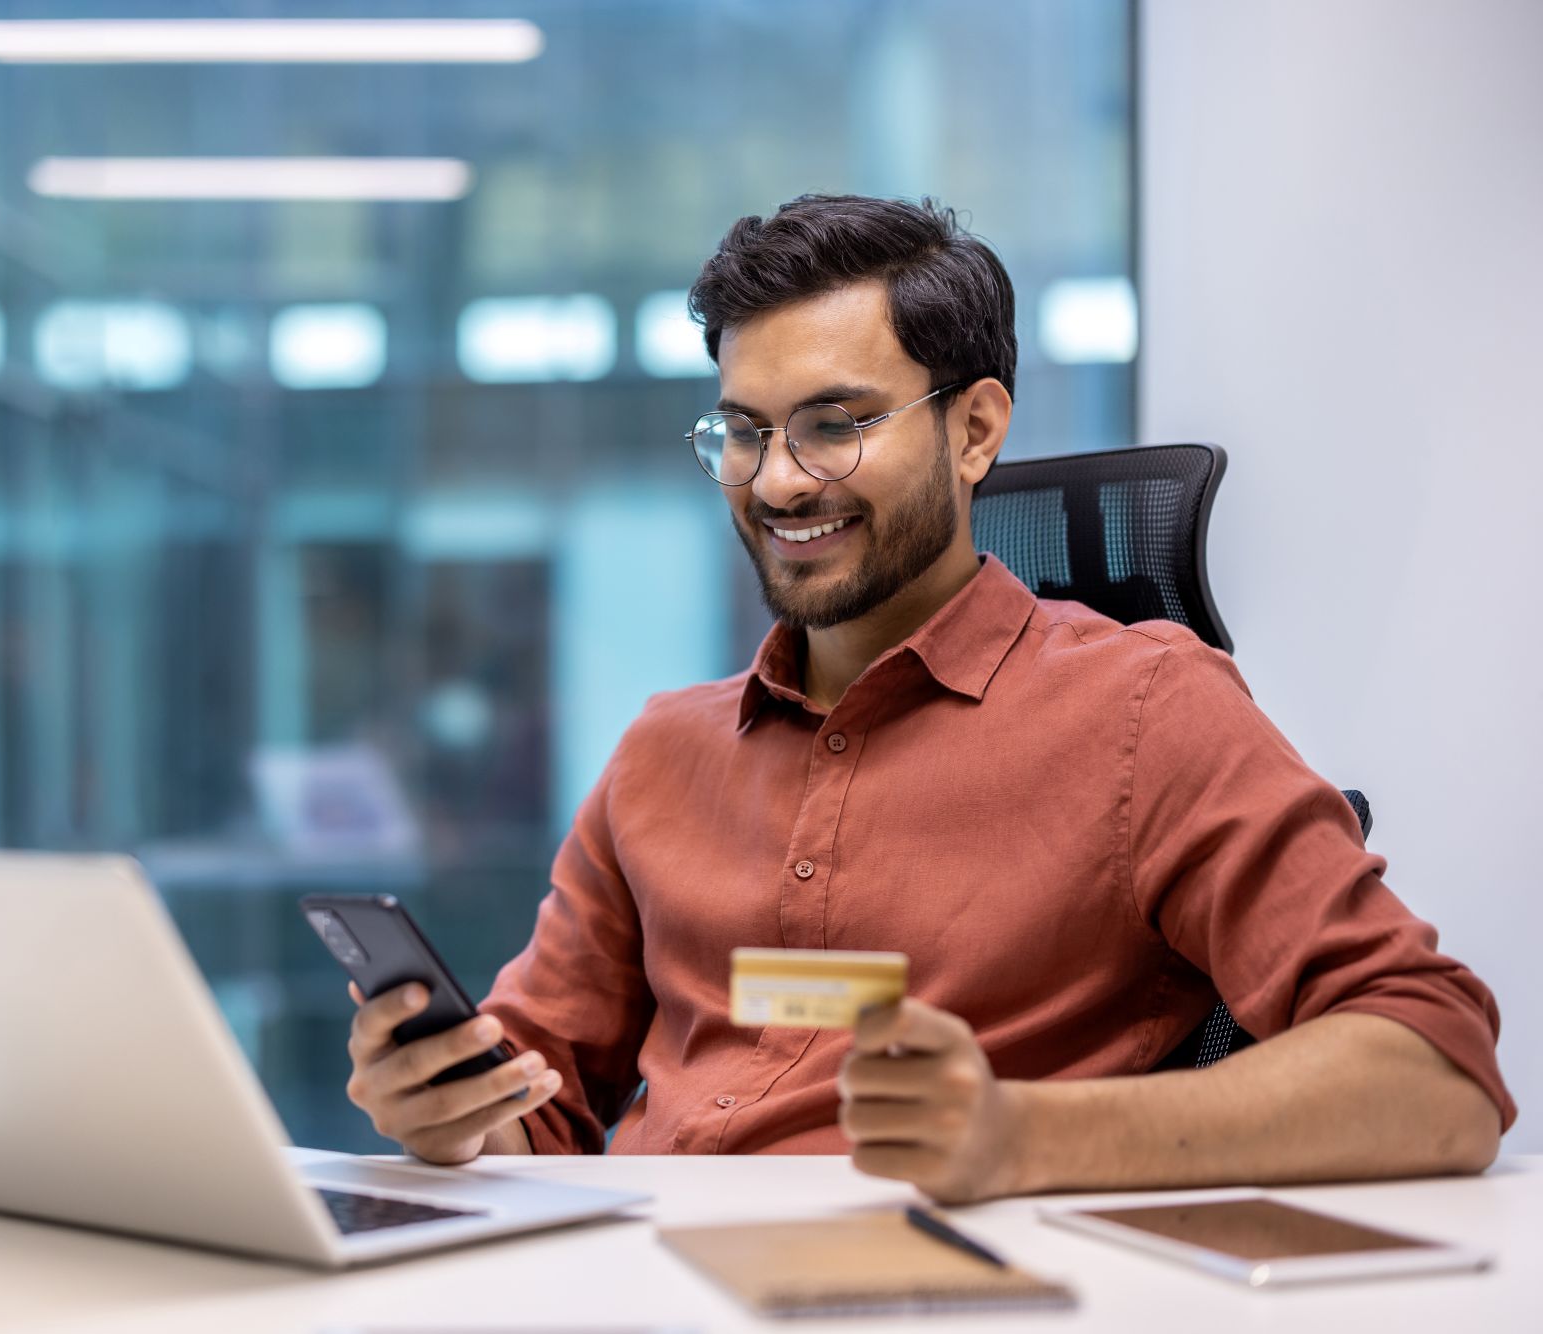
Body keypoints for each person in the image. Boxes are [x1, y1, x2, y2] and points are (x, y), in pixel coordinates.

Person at [341, 195, 1514, 1202]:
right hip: (641, 1288)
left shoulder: (1147, 710)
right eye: (743, 432)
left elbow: (1434, 1070)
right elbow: (534, 1111)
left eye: (836, 424)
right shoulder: (661, 752)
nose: (779, 479)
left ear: (974, 429)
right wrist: (444, 1107)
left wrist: (1019, 1135)